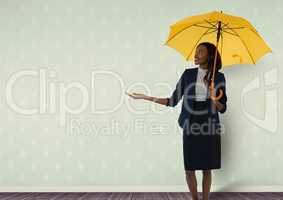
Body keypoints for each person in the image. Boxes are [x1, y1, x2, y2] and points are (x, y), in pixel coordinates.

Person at [126, 42, 227, 200]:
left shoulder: (219, 77)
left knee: (207, 169)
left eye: (201, 52)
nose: (196, 54)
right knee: (189, 168)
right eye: (196, 51)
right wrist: (147, 97)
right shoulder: (188, 74)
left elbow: (222, 108)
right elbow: (172, 101)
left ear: (210, 55)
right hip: (191, 124)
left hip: (209, 126)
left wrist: (215, 99)